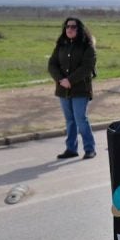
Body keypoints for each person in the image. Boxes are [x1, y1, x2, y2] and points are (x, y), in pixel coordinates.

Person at [48, 16, 97, 160]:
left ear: (79, 29)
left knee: (80, 119)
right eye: (67, 26)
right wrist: (60, 80)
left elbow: (87, 67)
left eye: (73, 27)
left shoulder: (87, 47)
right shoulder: (61, 45)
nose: (69, 29)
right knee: (69, 120)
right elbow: (52, 65)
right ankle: (71, 149)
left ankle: (89, 149)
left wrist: (70, 80)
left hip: (80, 90)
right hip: (63, 90)